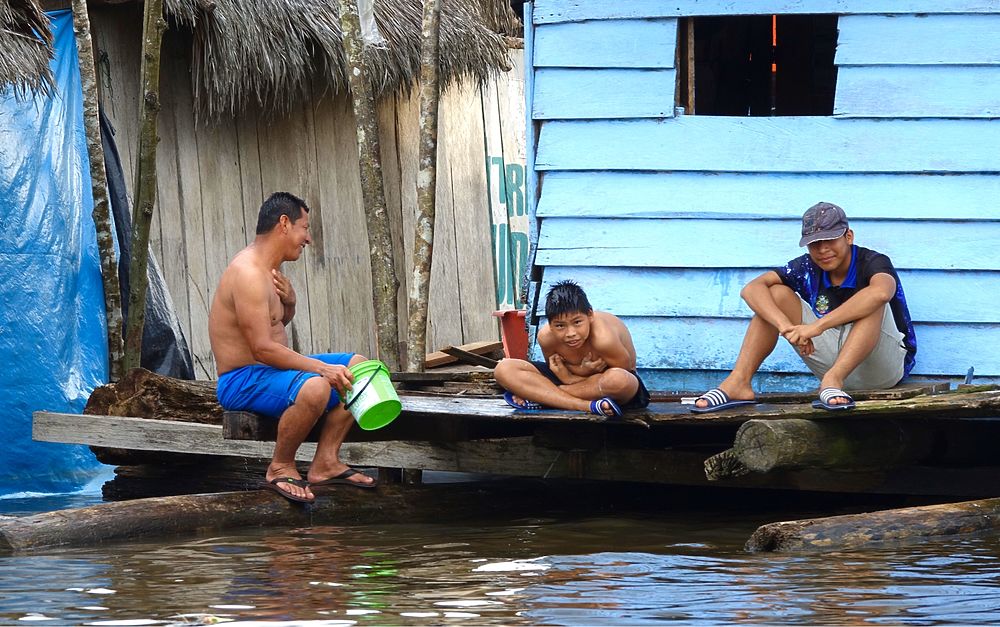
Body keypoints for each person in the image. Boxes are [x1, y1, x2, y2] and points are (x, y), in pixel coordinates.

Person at [208, 191, 376, 503]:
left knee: (361, 367)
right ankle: (280, 466)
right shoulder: (247, 273)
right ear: (284, 224)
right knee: (316, 388)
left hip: (270, 371)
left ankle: (326, 461)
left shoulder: (271, 270)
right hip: (241, 379)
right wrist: (321, 368)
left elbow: (273, 326)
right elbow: (262, 348)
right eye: (305, 227)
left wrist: (291, 304)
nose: (307, 238)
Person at [692, 201, 916, 413]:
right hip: (832, 363)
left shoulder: (872, 261)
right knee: (775, 294)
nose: (823, 250)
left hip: (881, 369)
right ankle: (738, 382)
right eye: (815, 244)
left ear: (848, 236)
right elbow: (751, 289)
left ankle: (833, 379)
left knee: (872, 299)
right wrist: (787, 328)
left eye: (830, 240)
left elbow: (881, 292)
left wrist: (815, 327)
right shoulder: (806, 266)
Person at [494, 281, 650, 417]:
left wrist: (575, 377)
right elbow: (555, 370)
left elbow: (624, 372)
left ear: (590, 315)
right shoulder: (546, 337)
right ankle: (587, 406)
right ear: (550, 323)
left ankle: (541, 398)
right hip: (580, 388)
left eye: (577, 323)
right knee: (504, 368)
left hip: (605, 386)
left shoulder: (603, 339)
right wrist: (569, 376)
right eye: (560, 326)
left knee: (619, 381)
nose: (571, 334)